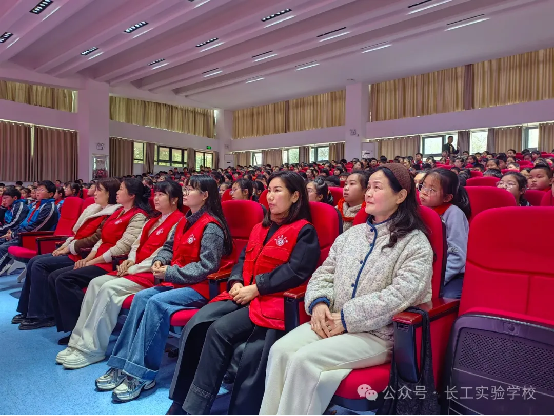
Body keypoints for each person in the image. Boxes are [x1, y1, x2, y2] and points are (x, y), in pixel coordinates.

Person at [260, 164, 433, 415]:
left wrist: (347, 318)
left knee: (303, 360)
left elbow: (401, 294)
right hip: (332, 321)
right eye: (368, 187)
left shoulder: (415, 243)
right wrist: (319, 303)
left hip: (377, 334)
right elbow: (324, 273)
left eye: (377, 188)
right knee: (280, 350)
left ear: (400, 196)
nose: (368, 193)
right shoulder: (352, 235)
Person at [165, 171, 320, 415]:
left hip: (271, 300)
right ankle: (181, 398)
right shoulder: (260, 227)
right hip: (242, 293)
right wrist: (236, 281)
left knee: (219, 330)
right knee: (197, 324)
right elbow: (242, 260)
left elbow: (295, 271)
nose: (270, 196)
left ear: (295, 196)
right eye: (269, 190)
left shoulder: (304, 231)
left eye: (278, 190)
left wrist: (257, 288)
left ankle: (195, 407)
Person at [95, 176, 233, 403]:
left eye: (191, 190)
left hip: (200, 288)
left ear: (205, 195)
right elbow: (168, 247)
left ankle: (141, 375)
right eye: (185, 188)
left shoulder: (211, 226)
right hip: (178, 282)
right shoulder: (184, 221)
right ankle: (120, 364)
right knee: (140, 298)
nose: (185, 193)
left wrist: (169, 272)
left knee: (155, 303)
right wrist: (160, 260)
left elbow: (207, 267)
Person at [58, 181, 185, 370]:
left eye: (161, 195)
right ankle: (77, 343)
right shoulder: (154, 219)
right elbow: (136, 245)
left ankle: (92, 349)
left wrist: (135, 267)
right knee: (95, 283)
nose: (156, 198)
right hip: (134, 268)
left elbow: (162, 254)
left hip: (150, 274)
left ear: (174, 199)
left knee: (108, 288)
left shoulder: (179, 221)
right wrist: (130, 260)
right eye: (156, 194)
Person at [48, 178, 149, 344]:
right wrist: (88, 259)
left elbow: (123, 247)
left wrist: (91, 262)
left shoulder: (138, 215)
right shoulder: (118, 212)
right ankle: (71, 325)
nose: (117, 192)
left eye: (121, 189)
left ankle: (81, 327)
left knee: (65, 279)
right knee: (55, 276)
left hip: (111, 263)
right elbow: (101, 240)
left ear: (132, 195)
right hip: (97, 259)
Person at [13, 178, 121, 330]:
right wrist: (66, 246)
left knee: (39, 265)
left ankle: (43, 315)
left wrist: (70, 248)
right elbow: (77, 234)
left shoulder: (113, 212)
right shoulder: (95, 209)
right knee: (34, 261)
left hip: (85, 253)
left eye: (99, 190)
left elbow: (96, 238)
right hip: (75, 249)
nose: (94, 193)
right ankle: (27, 310)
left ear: (109, 193)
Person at [418, 169, 470, 299]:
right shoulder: (420, 210)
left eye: (432, 189)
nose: (424, 192)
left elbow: (457, 255)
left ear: (447, 197)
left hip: (452, 272)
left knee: (445, 296)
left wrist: (437, 280)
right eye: (423, 186)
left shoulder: (454, 214)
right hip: (427, 269)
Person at [0, 181, 58, 276]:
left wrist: (14, 234)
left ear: (50, 194)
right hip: (23, 234)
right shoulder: (36, 204)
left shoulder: (49, 207)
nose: (37, 192)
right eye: (37, 189)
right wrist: (13, 232)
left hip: (34, 238)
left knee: (3, 247)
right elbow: (24, 222)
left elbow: (37, 228)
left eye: (41, 190)